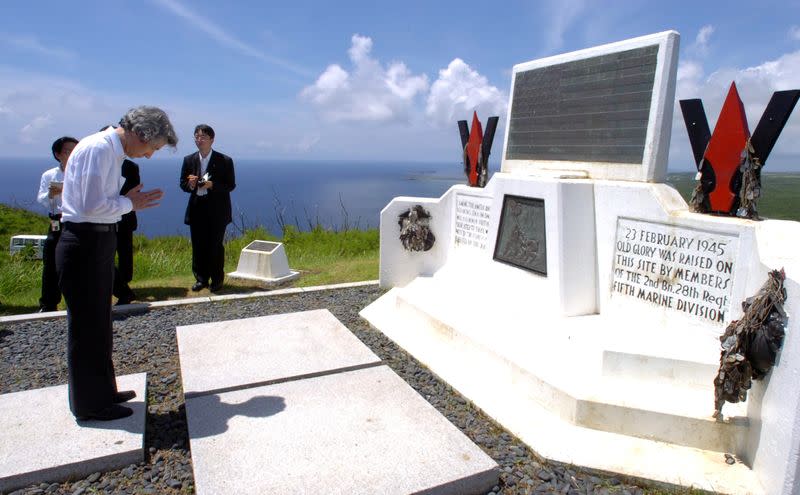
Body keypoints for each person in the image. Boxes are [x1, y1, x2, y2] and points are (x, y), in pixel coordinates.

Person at [57, 106, 177, 421]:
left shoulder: (111, 152)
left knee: (99, 323)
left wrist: (126, 203)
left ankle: (103, 391)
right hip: (84, 242)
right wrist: (130, 203)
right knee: (86, 328)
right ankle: (90, 404)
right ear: (141, 134)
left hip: (95, 240)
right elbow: (91, 206)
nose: (150, 155)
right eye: (152, 148)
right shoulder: (98, 149)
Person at [179, 124, 236, 293]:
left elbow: (230, 185)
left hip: (217, 210)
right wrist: (189, 184)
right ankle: (201, 278)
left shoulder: (224, 160)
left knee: (215, 246)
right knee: (198, 245)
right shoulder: (189, 160)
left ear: (212, 139)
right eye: (196, 136)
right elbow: (182, 184)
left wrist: (212, 185)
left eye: (203, 137)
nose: (199, 140)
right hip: (197, 208)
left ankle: (217, 279)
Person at [36, 136, 78, 312]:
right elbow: (41, 199)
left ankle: (121, 292)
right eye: (68, 151)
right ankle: (48, 302)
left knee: (85, 260)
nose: (72, 154)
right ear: (58, 154)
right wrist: (53, 193)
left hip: (76, 220)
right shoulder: (49, 174)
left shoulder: (81, 172)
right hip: (56, 219)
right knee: (51, 259)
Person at [113, 158, 140, 305]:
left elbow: (135, 189)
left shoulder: (130, 166)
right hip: (106, 216)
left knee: (125, 252)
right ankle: (120, 287)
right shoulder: (101, 163)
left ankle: (124, 283)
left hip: (126, 215)